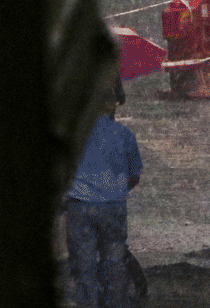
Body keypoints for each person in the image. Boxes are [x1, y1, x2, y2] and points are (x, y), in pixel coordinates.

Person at [65, 89, 142, 308]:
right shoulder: (124, 134)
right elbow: (134, 176)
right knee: (114, 262)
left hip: (79, 206)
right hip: (113, 206)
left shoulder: (74, 135)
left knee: (83, 266)